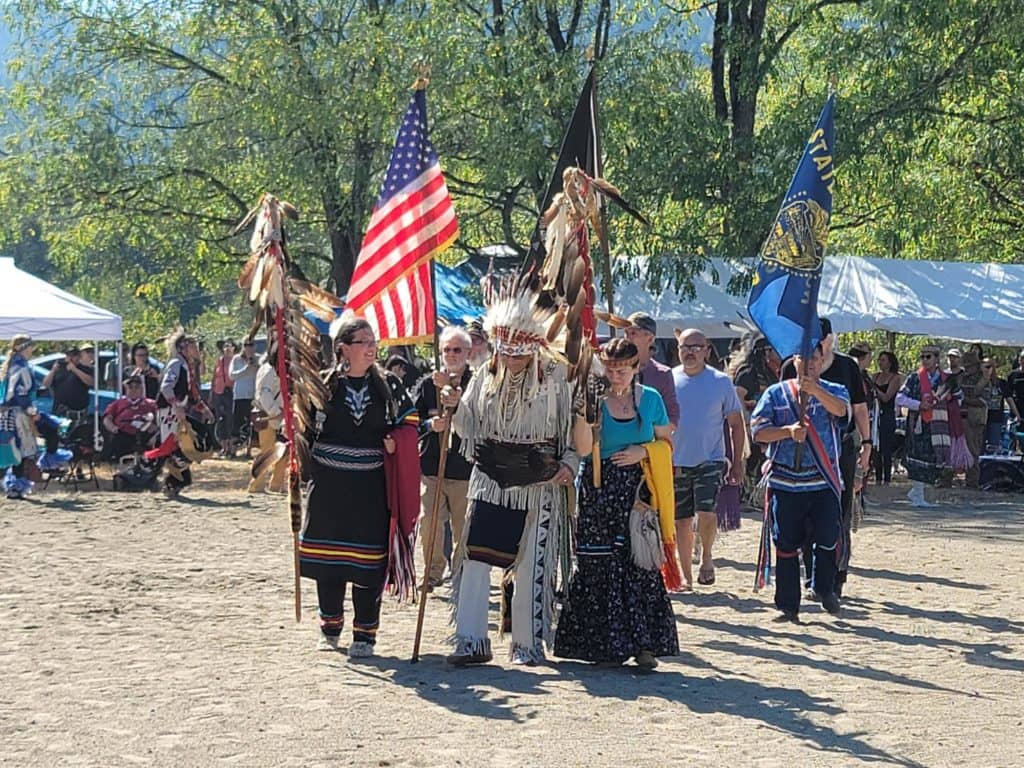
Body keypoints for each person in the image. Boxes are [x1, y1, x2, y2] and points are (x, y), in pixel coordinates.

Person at [446, 294, 581, 666]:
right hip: (490, 478)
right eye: (506, 353)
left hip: (539, 483)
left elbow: (573, 432)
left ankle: (527, 643)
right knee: (475, 559)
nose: (512, 361)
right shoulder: (484, 378)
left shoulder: (556, 379)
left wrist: (570, 461)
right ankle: (471, 639)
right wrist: (452, 407)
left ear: (536, 350)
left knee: (530, 563)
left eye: (520, 355)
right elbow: (467, 427)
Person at [554, 338, 679, 671]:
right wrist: (583, 413)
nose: (615, 376)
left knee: (638, 562)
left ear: (635, 368)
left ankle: (644, 645)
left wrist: (645, 451)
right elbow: (581, 449)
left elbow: (667, 440)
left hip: (636, 489)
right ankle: (603, 644)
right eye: (610, 369)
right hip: (598, 486)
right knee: (598, 561)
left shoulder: (649, 400)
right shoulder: (593, 398)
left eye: (622, 369)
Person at [298, 317, 418, 656]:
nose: (371, 347)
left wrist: (396, 440)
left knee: (368, 563)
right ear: (343, 348)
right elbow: (302, 432)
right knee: (329, 561)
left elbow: (411, 425)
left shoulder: (389, 386)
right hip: (329, 488)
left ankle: (365, 635)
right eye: (363, 341)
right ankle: (329, 627)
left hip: (370, 488)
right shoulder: (322, 385)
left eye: (372, 341)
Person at [752, 343, 850, 621]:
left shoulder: (835, 390)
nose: (809, 364)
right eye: (804, 359)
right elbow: (758, 431)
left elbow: (842, 412)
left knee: (827, 537)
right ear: (794, 360)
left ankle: (823, 587)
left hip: (823, 480)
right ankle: (787, 604)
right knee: (785, 542)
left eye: (815, 359)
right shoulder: (775, 393)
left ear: (823, 361)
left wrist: (816, 390)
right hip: (786, 481)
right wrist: (786, 432)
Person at [781, 318, 870, 599]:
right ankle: (812, 577)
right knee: (805, 516)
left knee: (837, 515)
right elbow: (783, 404)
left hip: (840, 450)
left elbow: (858, 408)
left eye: (822, 337)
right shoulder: (790, 366)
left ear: (830, 339)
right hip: (800, 451)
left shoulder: (847, 367)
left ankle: (836, 575)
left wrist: (867, 444)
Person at [671, 328, 746, 589]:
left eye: (695, 347)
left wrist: (737, 462)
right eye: (684, 347)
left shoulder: (720, 382)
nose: (690, 352)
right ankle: (686, 576)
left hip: (710, 459)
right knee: (681, 520)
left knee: (706, 512)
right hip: (676, 460)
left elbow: (737, 424)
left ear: (707, 350)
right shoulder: (669, 380)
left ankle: (706, 557)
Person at [414, 326, 473, 591]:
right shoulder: (427, 385)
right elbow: (411, 422)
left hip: (465, 470)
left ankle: (461, 573)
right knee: (430, 524)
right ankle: (432, 572)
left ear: (468, 352)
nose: (451, 354)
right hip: (432, 469)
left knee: (463, 529)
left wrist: (451, 390)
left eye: (457, 349)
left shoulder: (478, 382)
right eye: (446, 349)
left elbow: (480, 419)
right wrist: (429, 425)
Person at [1, 336, 69, 498]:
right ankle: (17, 486)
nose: (33, 351)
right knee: (22, 449)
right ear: (24, 348)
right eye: (31, 347)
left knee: (22, 449)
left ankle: (19, 483)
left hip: (13, 413)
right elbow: (20, 394)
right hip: (19, 414)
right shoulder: (21, 368)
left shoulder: (13, 366)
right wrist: (33, 412)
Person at [896, 344, 964, 506]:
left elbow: (959, 398)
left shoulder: (946, 380)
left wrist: (947, 402)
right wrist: (918, 404)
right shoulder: (914, 378)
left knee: (935, 458)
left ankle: (923, 494)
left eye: (928, 357)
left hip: (939, 424)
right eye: (922, 357)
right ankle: (918, 493)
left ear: (936, 359)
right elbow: (899, 398)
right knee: (917, 456)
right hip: (919, 423)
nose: (925, 360)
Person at [153, 331, 214, 497]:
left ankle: (173, 482)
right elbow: (166, 387)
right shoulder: (176, 364)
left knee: (191, 443)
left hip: (177, 410)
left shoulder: (187, 365)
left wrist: (204, 409)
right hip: (169, 411)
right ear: (183, 348)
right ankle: (171, 482)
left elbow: (192, 393)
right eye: (192, 345)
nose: (196, 348)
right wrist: (175, 406)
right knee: (177, 448)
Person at [624, 312, 680, 429]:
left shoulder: (662, 374)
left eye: (633, 333)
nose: (628, 337)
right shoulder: (614, 370)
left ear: (650, 338)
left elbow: (672, 417)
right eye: (626, 333)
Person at [247, 356, 287, 494]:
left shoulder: (279, 368)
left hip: (280, 415)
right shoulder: (269, 370)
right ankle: (256, 485)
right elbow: (264, 394)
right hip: (267, 414)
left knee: (285, 449)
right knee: (267, 451)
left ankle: (276, 484)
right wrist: (276, 412)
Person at [102, 375, 158, 459]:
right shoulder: (117, 403)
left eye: (137, 387)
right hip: (123, 434)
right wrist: (112, 427)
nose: (133, 390)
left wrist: (155, 428)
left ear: (142, 389)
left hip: (145, 434)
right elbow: (107, 418)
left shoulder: (151, 404)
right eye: (130, 387)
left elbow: (160, 418)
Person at [43, 345, 95, 425]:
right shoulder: (59, 368)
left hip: (77, 410)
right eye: (68, 355)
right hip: (60, 409)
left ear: (79, 356)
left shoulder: (84, 368)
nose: (71, 358)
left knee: (76, 433)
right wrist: (53, 371)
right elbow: (46, 384)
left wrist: (75, 370)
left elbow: (91, 382)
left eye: (74, 355)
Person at [873, 351, 902, 484]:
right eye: (879, 360)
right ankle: (877, 477)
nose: (880, 362)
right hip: (875, 414)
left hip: (887, 414)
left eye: (883, 360)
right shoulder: (875, 376)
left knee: (886, 447)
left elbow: (886, 397)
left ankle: (887, 478)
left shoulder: (895, 378)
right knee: (876, 446)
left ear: (890, 362)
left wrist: (875, 389)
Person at [958, 351, 987, 488]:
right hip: (960, 416)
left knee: (973, 449)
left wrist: (965, 400)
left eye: (969, 366)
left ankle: (972, 482)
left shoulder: (983, 379)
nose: (967, 368)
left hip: (975, 418)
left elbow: (984, 401)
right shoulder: (961, 377)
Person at [982, 359, 1019, 450]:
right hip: (980, 419)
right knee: (979, 447)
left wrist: (1017, 415)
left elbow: (1009, 400)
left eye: (988, 367)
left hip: (995, 418)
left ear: (993, 368)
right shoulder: (978, 383)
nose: (986, 369)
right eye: (983, 367)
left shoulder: (1001, 383)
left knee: (993, 446)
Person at [229, 340, 259, 455]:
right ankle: (232, 450)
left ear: (255, 346)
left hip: (253, 396)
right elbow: (232, 375)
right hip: (240, 396)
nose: (248, 347)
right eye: (246, 345)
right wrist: (245, 369)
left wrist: (256, 365)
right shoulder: (237, 359)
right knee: (236, 423)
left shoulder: (258, 359)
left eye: (251, 344)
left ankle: (249, 450)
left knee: (251, 423)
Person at [211, 340, 236, 457]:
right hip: (218, 392)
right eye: (225, 346)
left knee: (230, 419)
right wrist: (212, 394)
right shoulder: (219, 360)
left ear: (233, 348)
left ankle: (231, 447)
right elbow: (214, 376)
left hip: (230, 392)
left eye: (229, 346)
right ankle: (223, 447)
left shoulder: (235, 360)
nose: (227, 348)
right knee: (220, 420)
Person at [1007, 350, 1024, 419]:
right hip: (1016, 409)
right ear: (1019, 360)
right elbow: (1008, 393)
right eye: (1022, 358)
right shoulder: (1012, 374)